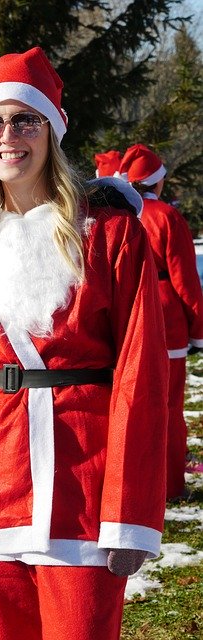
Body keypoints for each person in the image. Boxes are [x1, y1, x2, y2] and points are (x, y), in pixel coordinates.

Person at [0, 47, 169, 640]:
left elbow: (141, 375)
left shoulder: (110, 236)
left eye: (26, 120)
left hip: (84, 487)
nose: (8, 136)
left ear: (53, 132)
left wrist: (130, 514)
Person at [119, 143, 203, 500]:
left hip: (125, 316)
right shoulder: (167, 216)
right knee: (168, 406)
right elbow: (186, 281)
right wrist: (198, 331)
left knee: (129, 403)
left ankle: (130, 484)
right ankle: (168, 485)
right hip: (166, 317)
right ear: (158, 181)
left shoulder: (118, 214)